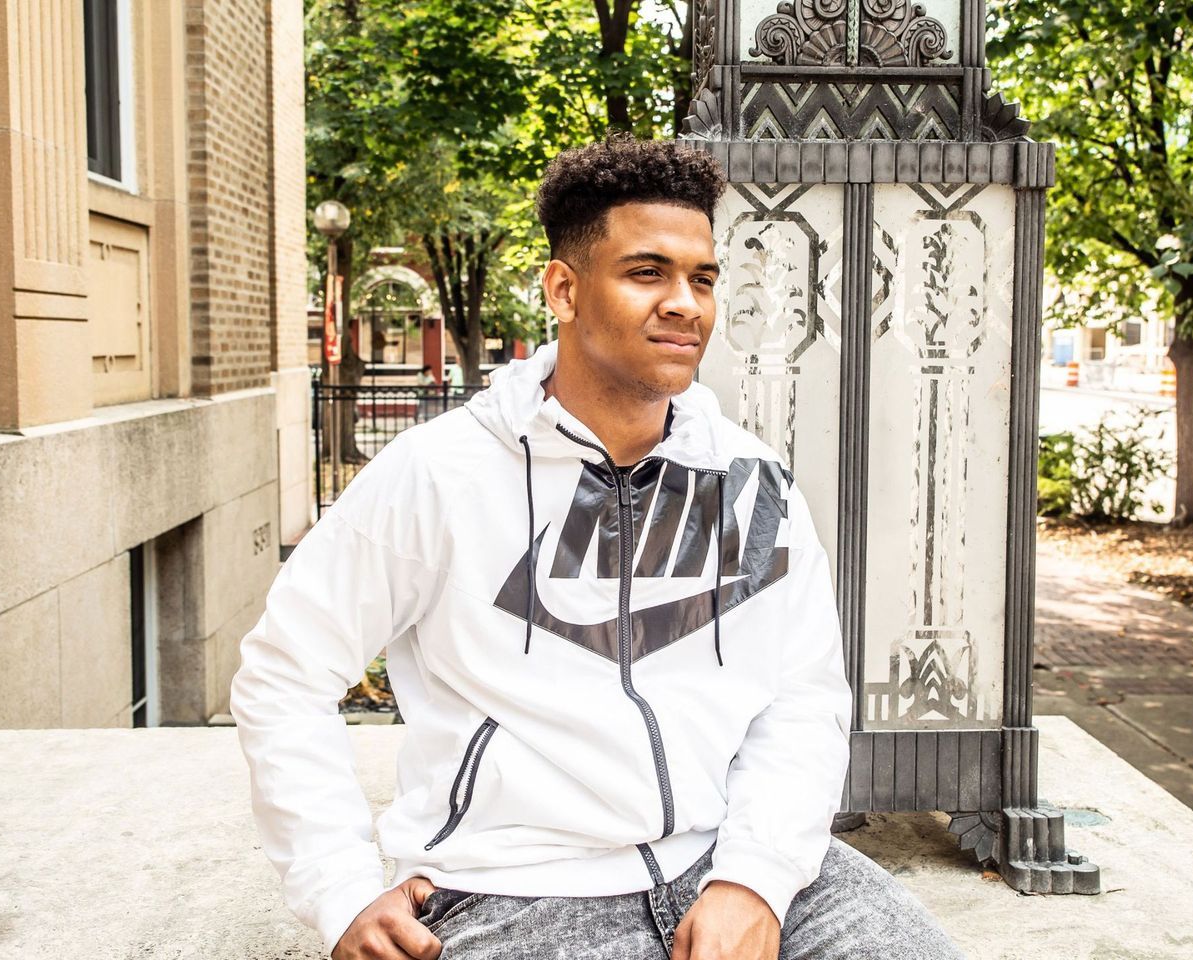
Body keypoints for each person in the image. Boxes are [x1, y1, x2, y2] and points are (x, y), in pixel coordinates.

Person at [230, 136, 965, 960]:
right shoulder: (440, 476)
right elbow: (284, 676)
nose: (686, 303)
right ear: (564, 289)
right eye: (647, 273)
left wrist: (753, 878)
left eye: (703, 278)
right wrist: (340, 889)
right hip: (514, 891)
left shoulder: (750, 481)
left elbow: (802, 697)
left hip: (735, 862)